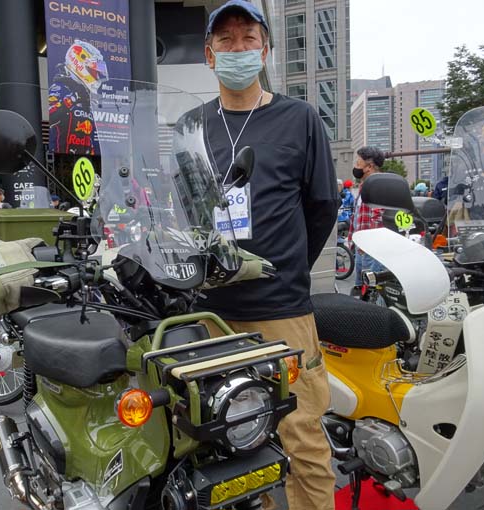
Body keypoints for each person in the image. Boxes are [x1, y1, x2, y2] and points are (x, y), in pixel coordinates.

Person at [195, 2, 339, 509]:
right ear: (209, 54)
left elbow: (322, 206)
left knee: (301, 436)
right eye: (226, 40)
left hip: (282, 310)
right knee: (217, 434)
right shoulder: (191, 127)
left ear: (266, 49)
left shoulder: (298, 118)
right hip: (209, 312)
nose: (238, 49)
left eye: (248, 38)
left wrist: (286, 263)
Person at [348, 146, 385, 296]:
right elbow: (357, 215)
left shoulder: (378, 185)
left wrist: (367, 242)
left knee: (371, 291)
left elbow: (378, 217)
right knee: (361, 289)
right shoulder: (364, 186)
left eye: (358, 163)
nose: (356, 167)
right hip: (362, 248)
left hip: (371, 249)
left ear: (369, 166)